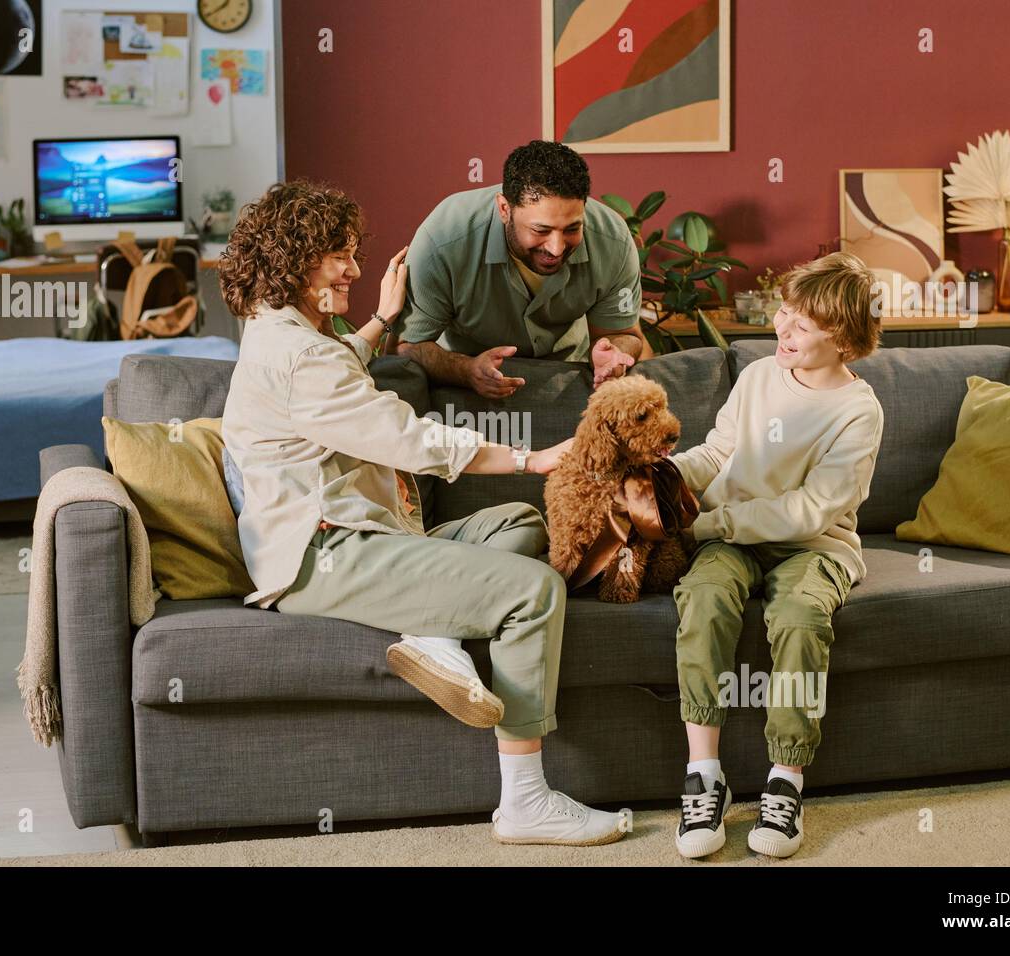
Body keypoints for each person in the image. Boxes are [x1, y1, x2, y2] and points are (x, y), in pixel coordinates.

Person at [218, 180, 626, 847]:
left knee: (519, 525)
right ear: (295, 261)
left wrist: (379, 322)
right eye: (338, 256)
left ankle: (433, 633)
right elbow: (408, 438)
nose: (353, 268)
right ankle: (526, 801)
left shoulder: (281, 332)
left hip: (362, 536)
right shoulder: (300, 354)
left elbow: (334, 375)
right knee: (534, 591)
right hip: (325, 553)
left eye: (353, 253)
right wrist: (531, 460)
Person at [666, 252, 885, 860]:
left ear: (841, 336)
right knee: (705, 598)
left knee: (799, 619)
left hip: (813, 545)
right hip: (728, 537)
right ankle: (703, 777)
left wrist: (710, 524)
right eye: (783, 313)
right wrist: (665, 475)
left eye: (801, 324)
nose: (782, 330)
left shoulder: (858, 410)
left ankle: (785, 785)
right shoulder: (760, 376)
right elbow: (718, 452)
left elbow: (811, 509)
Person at [392, 140, 651, 398]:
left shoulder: (613, 240)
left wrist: (613, 355)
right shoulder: (443, 238)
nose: (557, 248)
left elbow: (623, 334)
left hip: (570, 373)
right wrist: (466, 370)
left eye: (572, 229)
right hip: (461, 384)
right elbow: (406, 347)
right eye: (541, 230)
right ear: (505, 209)